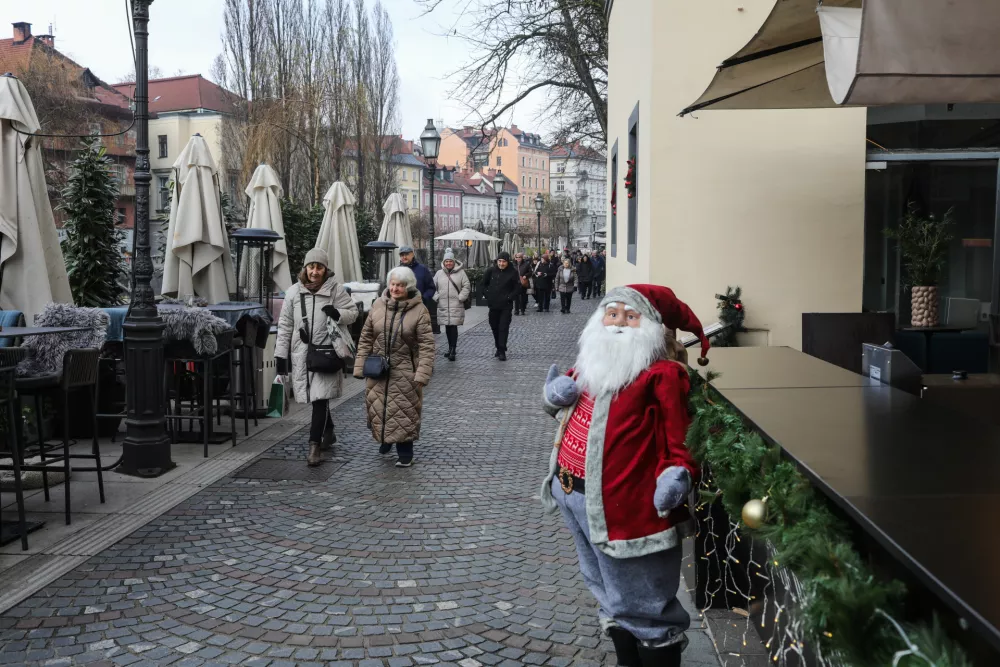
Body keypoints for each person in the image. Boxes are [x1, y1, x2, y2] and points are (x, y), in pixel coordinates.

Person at [541, 284, 711, 667]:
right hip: (576, 498)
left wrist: (677, 474)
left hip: (628, 511)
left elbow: (678, 439)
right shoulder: (592, 360)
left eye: (629, 317)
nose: (618, 324)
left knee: (645, 600)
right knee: (605, 589)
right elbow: (562, 401)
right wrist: (555, 393)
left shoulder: (661, 375)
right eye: (612, 314)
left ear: (649, 326)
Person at [275, 248, 359, 467]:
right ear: (305, 268)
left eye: (319, 267)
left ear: (325, 269)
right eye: (311, 266)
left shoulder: (336, 290)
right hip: (301, 354)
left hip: (326, 352)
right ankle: (328, 432)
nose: (314, 271)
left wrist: (338, 314)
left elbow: (353, 313)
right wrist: (280, 356)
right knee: (315, 398)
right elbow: (284, 325)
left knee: (320, 400)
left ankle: (314, 446)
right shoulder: (293, 292)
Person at [353, 266, 435, 467]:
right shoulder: (378, 306)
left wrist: (423, 373)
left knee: (404, 411)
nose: (395, 289)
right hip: (378, 368)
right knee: (379, 407)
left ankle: (405, 453)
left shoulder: (419, 310)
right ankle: (385, 439)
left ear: (408, 287)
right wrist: (359, 366)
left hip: (406, 369)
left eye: (400, 285)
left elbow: (427, 345)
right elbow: (366, 338)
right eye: (393, 284)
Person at [433, 248, 471, 361]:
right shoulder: (439, 273)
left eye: (450, 261)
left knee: (453, 327)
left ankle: (453, 349)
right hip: (443, 305)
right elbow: (432, 286)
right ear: (444, 262)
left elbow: (466, 285)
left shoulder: (461, 273)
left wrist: (461, 297)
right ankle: (450, 348)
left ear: (454, 262)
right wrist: (436, 297)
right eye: (446, 261)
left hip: (456, 304)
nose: (448, 263)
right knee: (447, 327)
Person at [482, 251, 521, 361]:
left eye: (504, 261)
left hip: (506, 306)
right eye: (499, 261)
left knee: (503, 327)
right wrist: (488, 295)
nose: (501, 263)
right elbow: (483, 284)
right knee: (494, 326)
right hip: (493, 305)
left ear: (507, 262)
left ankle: (502, 350)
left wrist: (509, 297)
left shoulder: (512, 272)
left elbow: (517, 288)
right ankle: (498, 347)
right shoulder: (491, 271)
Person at [399, 245, 438, 334]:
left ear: (412, 254)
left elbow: (431, 288)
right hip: (402, 309)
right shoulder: (397, 270)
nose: (404, 257)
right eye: (402, 255)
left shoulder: (422, 269)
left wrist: (423, 298)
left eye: (406, 254)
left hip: (419, 308)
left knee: (420, 334)